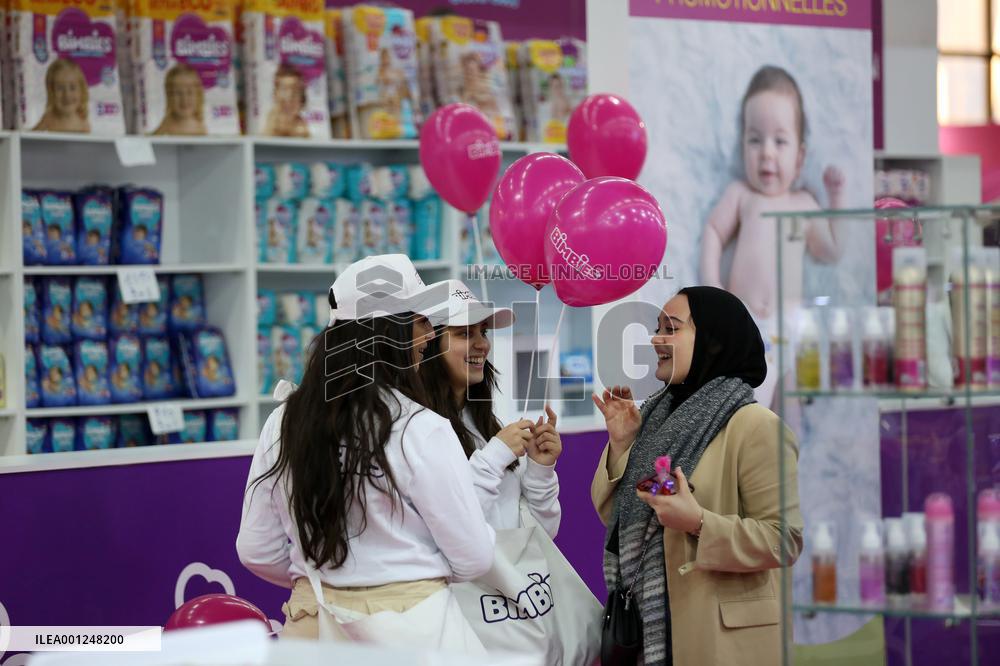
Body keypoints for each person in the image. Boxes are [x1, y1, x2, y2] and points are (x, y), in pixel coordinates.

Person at [237, 255, 495, 647]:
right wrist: (407, 573)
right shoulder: (421, 428)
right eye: (421, 321)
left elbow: (256, 549)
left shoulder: (282, 422)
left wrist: (322, 579)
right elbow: (474, 557)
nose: (428, 335)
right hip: (413, 631)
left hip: (311, 628)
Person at [591, 286, 803, 666]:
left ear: (714, 341)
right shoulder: (657, 422)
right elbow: (620, 522)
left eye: (671, 328)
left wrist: (699, 523)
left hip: (722, 641)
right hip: (654, 632)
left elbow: (783, 538)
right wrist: (623, 446)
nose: (657, 339)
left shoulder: (756, 427)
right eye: (657, 328)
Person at [700, 65, 844, 406]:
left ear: (800, 156)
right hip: (745, 322)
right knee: (747, 408)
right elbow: (713, 232)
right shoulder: (741, 195)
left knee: (789, 408)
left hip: (791, 329)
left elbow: (831, 251)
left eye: (780, 141)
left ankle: (788, 458)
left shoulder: (804, 203)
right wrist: (714, 292)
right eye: (754, 139)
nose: (766, 152)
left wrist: (836, 197)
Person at [419, 280, 561, 535]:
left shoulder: (491, 426)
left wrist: (540, 470)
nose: (482, 344)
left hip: (514, 576)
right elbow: (449, 530)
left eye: (483, 332)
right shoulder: (416, 430)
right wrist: (495, 456)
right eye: (464, 333)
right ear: (428, 344)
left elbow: (541, 535)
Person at [33, 58, 90, 133]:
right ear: (51, 92)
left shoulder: (83, 122)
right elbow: (29, 138)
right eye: (60, 88)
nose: (67, 94)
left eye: (72, 88)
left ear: (81, 91)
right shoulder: (49, 119)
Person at [153, 64, 207, 136]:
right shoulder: (166, 125)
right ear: (169, 97)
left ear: (198, 95)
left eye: (189, 92)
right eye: (178, 93)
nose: (184, 99)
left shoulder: (200, 127)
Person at [264, 65, 309, 137]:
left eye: (295, 90)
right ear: (275, 94)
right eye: (284, 89)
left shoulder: (303, 127)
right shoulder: (268, 124)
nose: (289, 96)